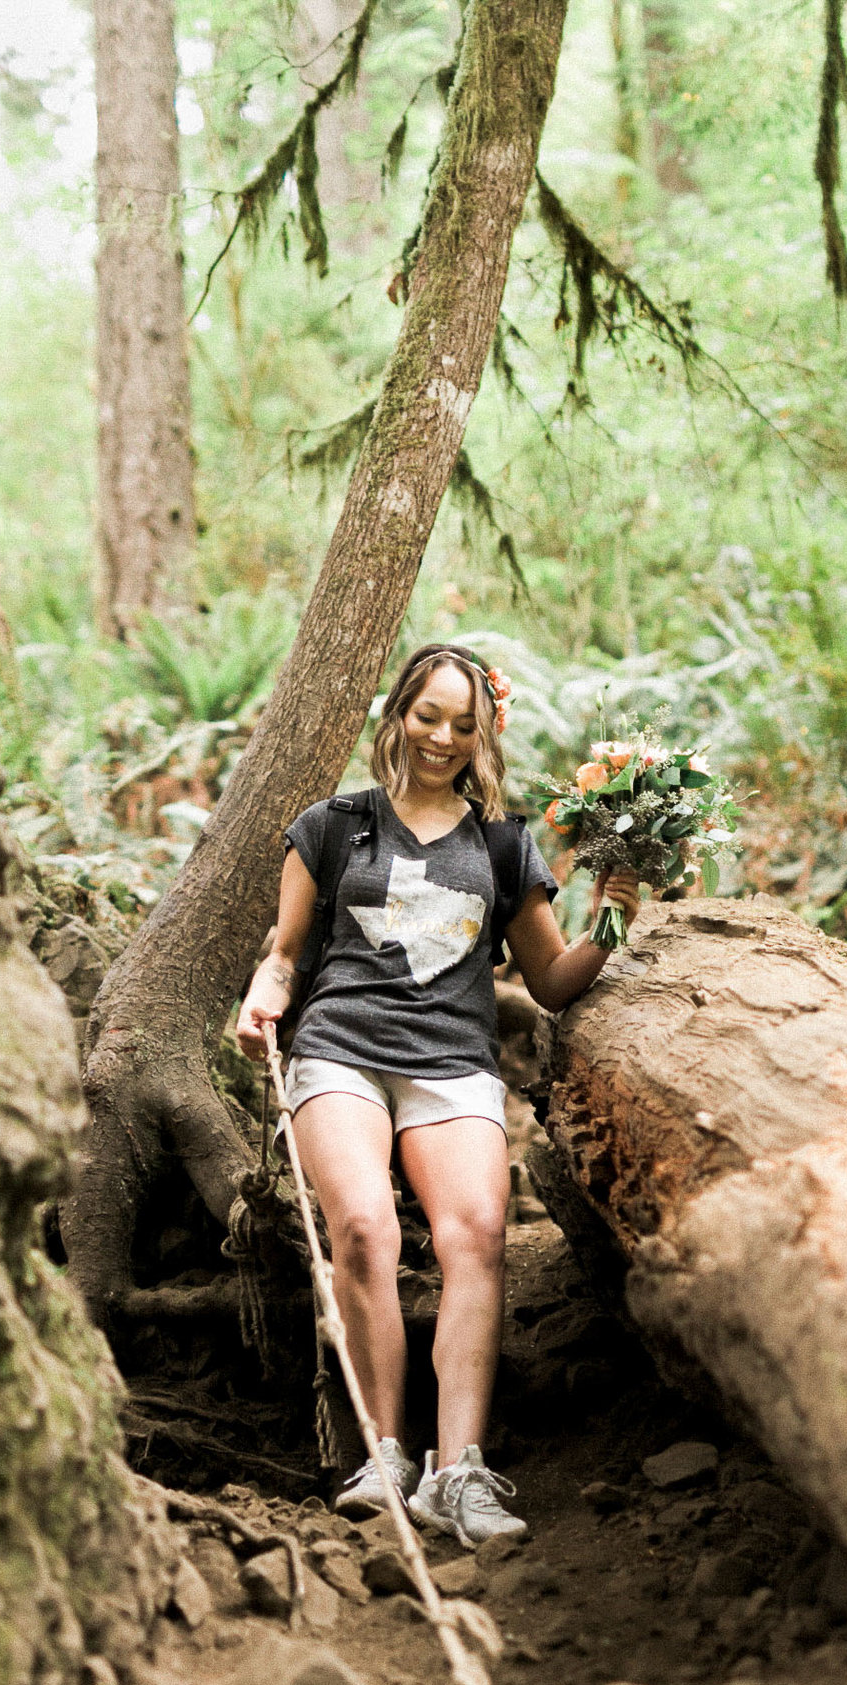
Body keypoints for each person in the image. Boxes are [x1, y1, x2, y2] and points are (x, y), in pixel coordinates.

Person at [235, 644, 640, 1547]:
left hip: (453, 1060)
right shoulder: (333, 824)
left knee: (477, 1236)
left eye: (464, 723)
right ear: (400, 713)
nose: (443, 738)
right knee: (367, 1226)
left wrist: (613, 909)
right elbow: (285, 950)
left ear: (483, 732)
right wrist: (266, 992)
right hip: (341, 1048)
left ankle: (458, 1471)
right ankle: (384, 1454)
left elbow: (553, 980)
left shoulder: (503, 844)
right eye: (430, 716)